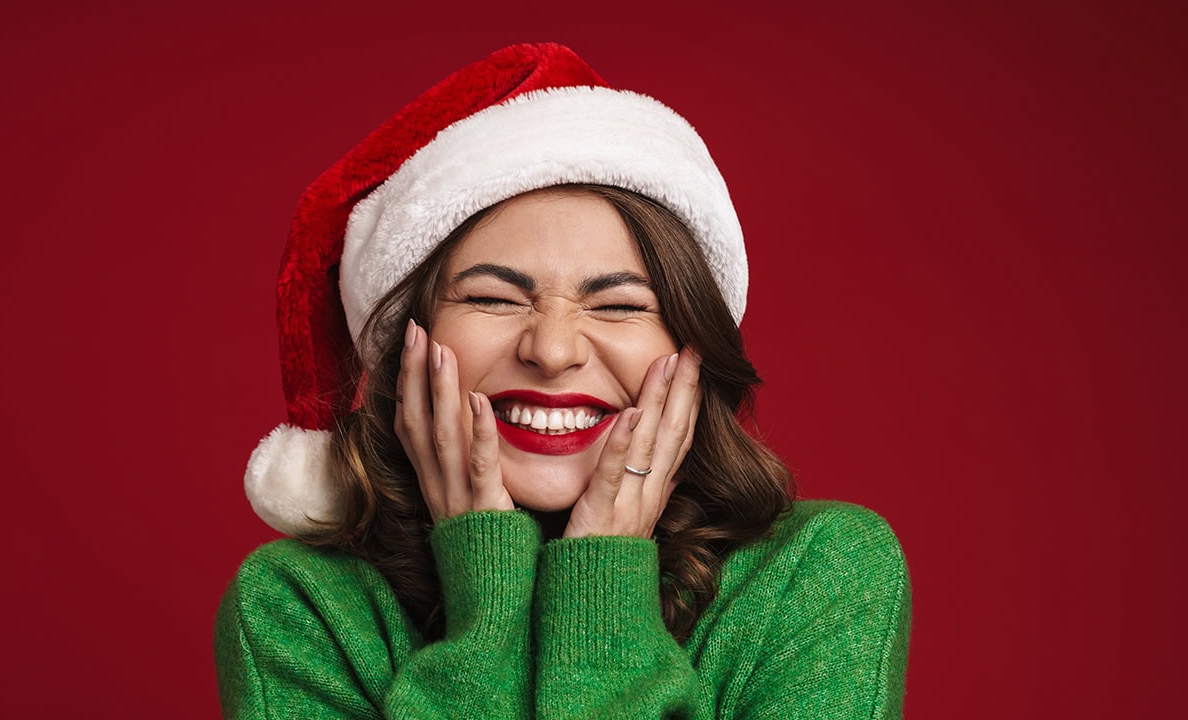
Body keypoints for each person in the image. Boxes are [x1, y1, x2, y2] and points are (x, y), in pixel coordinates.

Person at [215, 43, 911, 719]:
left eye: (619, 306)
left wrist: (602, 587)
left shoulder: (823, 571)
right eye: (494, 298)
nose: (551, 350)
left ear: (691, 348)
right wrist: (487, 586)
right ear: (405, 346)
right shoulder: (298, 605)